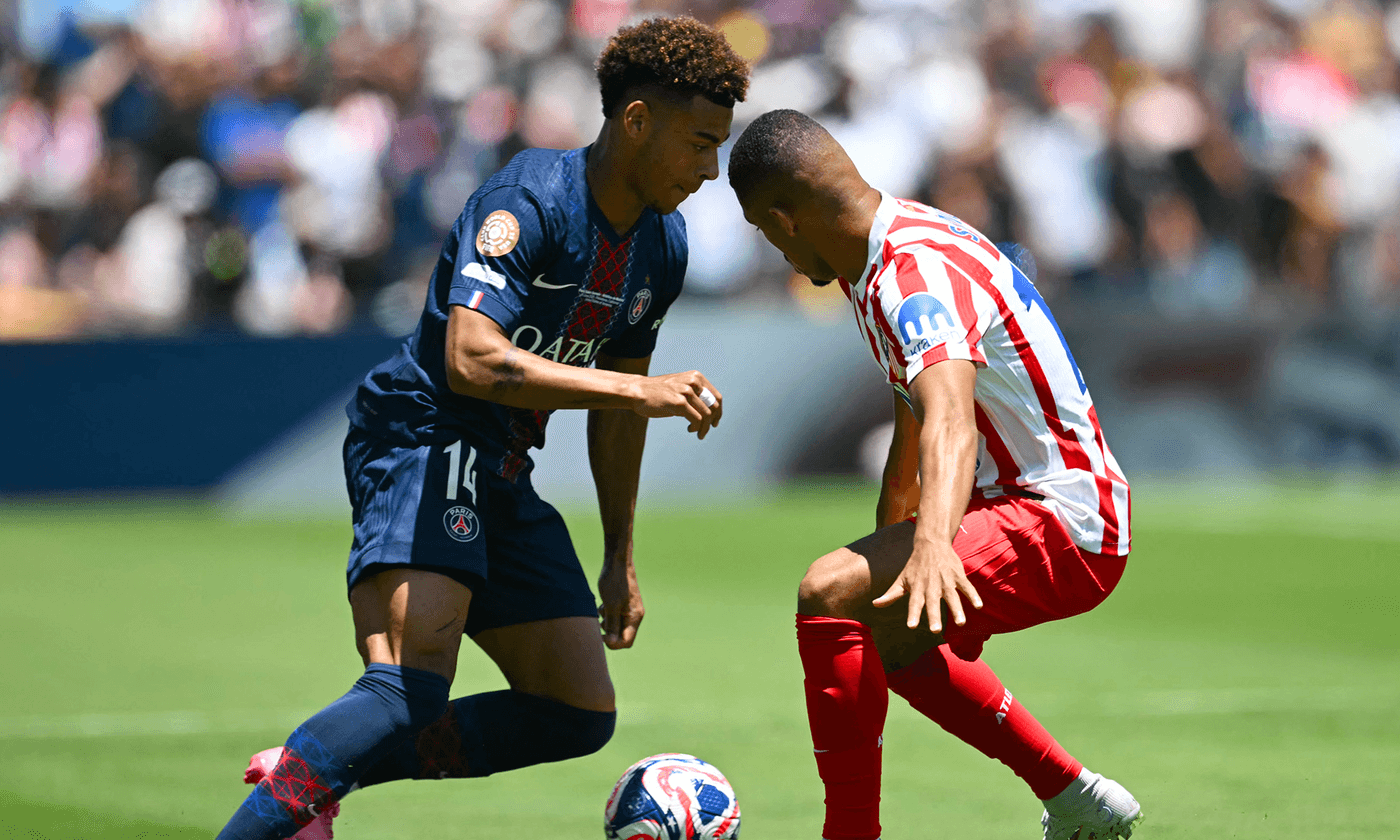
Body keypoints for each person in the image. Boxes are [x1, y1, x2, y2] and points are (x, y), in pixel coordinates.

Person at [216, 18, 748, 840]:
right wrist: (633, 391)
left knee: (576, 711)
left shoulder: (662, 246)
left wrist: (620, 554)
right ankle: (284, 802)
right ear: (636, 121)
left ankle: (311, 770)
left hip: (503, 462)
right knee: (405, 688)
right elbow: (471, 357)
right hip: (426, 435)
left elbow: (618, 407)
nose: (711, 170)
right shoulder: (531, 199)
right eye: (700, 143)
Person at [727, 109, 1141, 840]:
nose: (776, 253)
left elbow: (949, 416)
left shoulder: (910, 276)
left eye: (764, 232)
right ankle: (1076, 799)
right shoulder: (880, 258)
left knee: (827, 591)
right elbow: (913, 425)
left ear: (785, 220)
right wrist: (897, 542)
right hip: (1022, 505)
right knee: (875, 627)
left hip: (1063, 516)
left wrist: (931, 548)